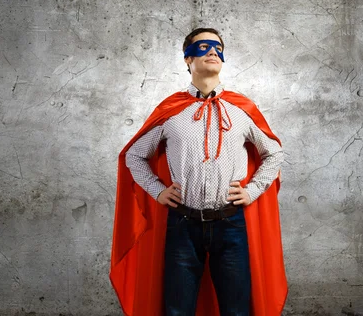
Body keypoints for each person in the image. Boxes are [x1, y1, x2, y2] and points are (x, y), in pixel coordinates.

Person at [110, 28, 288, 316]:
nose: (213, 52)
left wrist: (253, 191)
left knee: (237, 310)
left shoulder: (242, 109)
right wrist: (157, 191)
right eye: (204, 47)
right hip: (183, 224)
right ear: (187, 60)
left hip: (231, 224)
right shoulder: (172, 110)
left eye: (218, 48)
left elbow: (274, 151)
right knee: (177, 309)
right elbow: (134, 154)